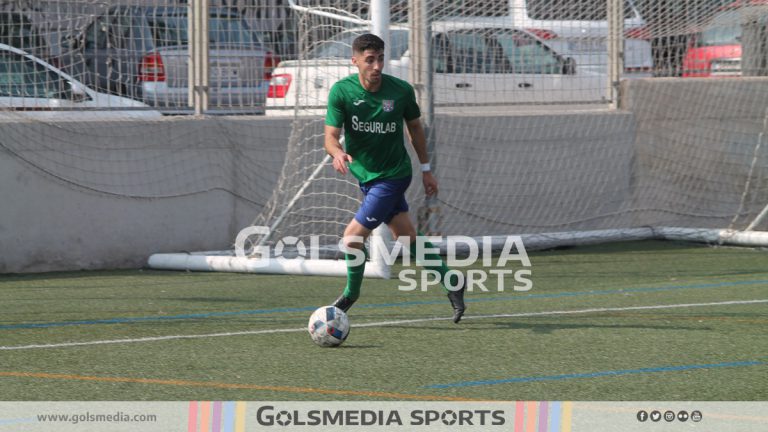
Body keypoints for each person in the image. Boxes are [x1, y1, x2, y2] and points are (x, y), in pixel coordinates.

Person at [323, 33, 466, 323]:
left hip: (394, 176)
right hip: (367, 178)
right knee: (406, 236)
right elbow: (330, 137)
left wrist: (426, 169)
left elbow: (415, 129)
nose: (376, 66)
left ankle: (351, 294)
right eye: (369, 60)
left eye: (380, 59)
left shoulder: (400, 91)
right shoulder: (341, 92)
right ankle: (452, 281)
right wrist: (337, 153)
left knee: (351, 237)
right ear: (355, 61)